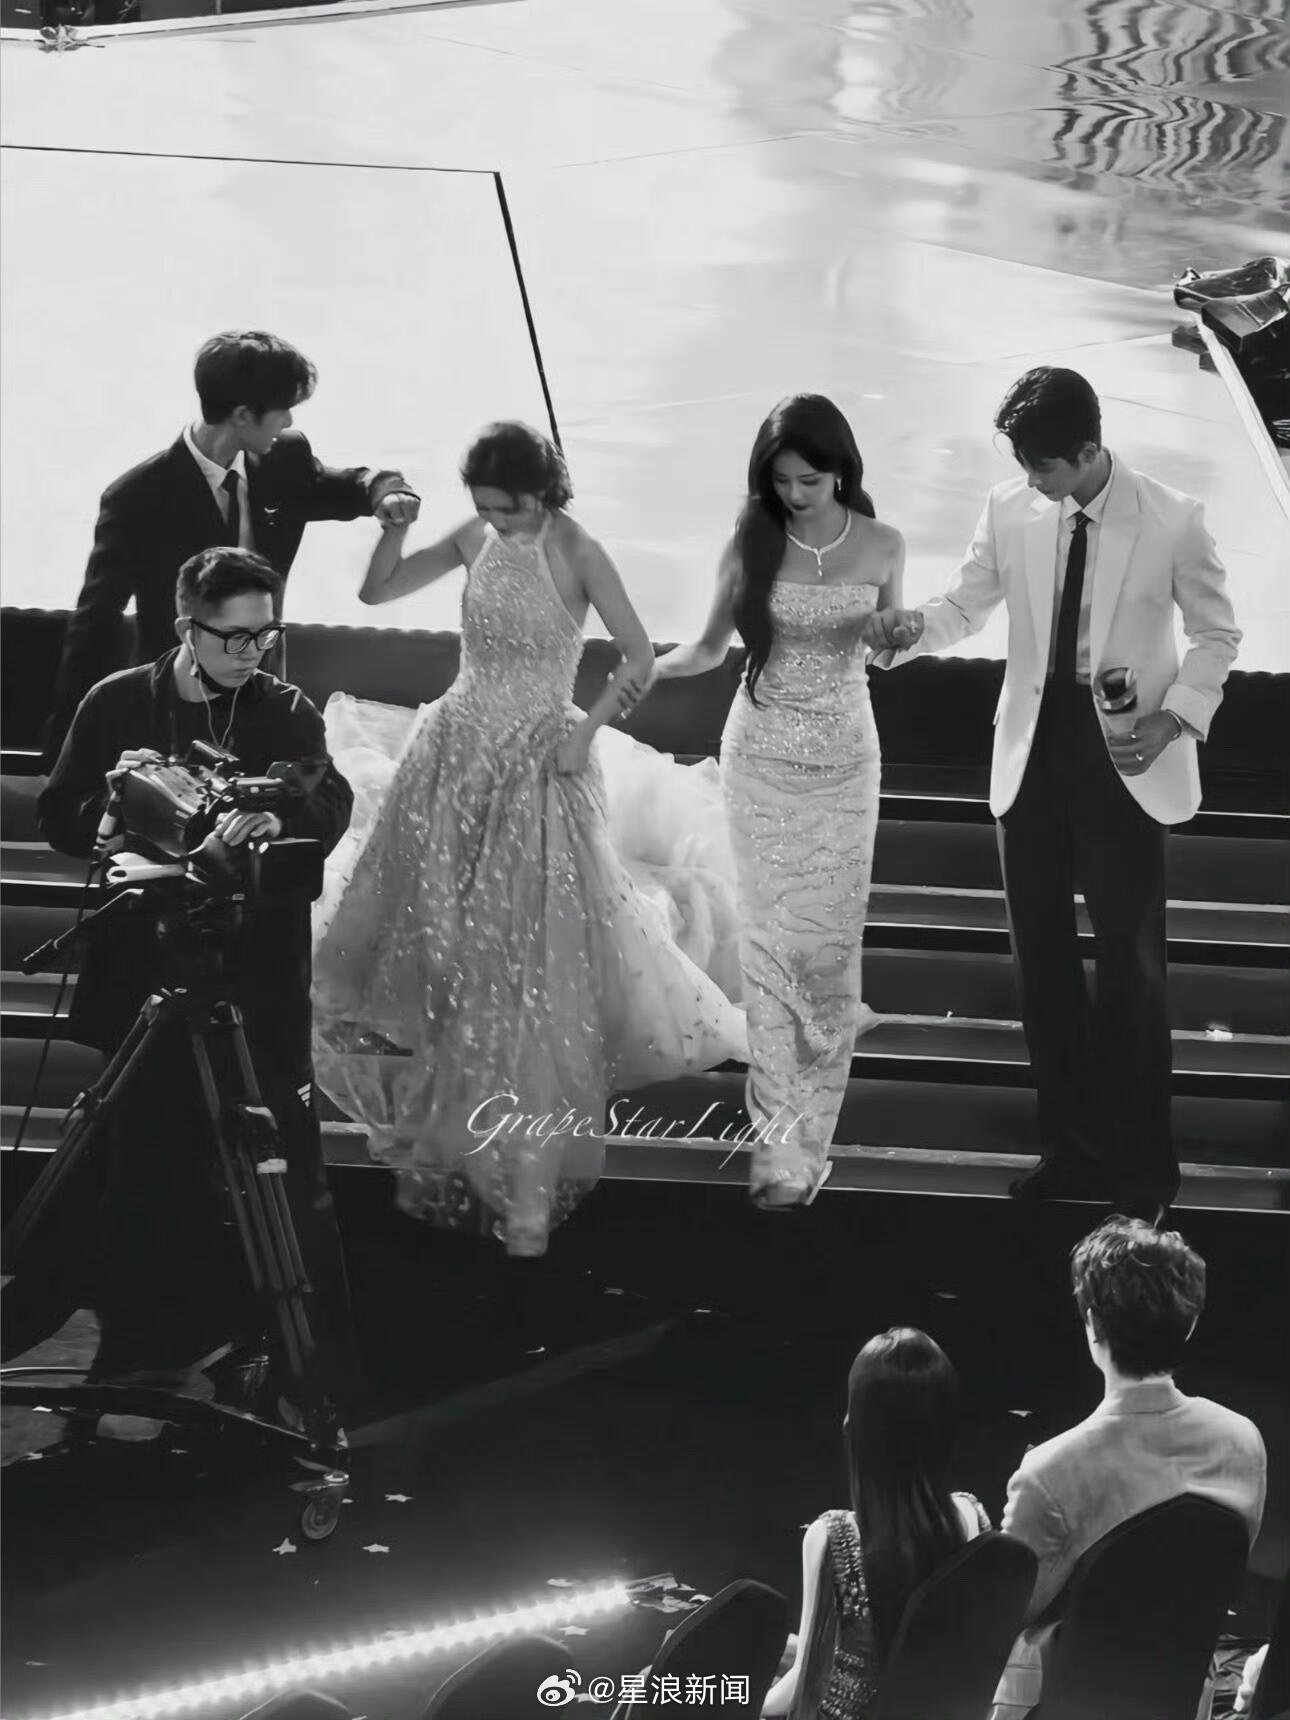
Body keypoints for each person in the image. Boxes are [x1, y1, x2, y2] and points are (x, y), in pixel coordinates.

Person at [311, 422, 747, 1259]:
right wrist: (394, 528)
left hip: (542, 754)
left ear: (543, 492)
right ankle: (441, 1046)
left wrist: (585, 731)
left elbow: (636, 656)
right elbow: (377, 593)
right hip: (455, 743)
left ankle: (516, 1121)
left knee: (529, 938)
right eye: (484, 507)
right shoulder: (472, 536)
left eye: (507, 507)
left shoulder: (579, 549)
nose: (496, 521)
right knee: (435, 913)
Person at [872, 368, 1241, 1220]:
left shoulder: (1174, 517)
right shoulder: (1010, 508)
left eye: (1043, 466)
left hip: (1127, 758)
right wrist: (908, 633)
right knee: (1042, 971)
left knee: (1132, 976)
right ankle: (1072, 1153)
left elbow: (1218, 633)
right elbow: (965, 604)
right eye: (1022, 465)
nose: (1031, 480)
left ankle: (1143, 1178)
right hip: (1032, 752)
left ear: (1087, 450)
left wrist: (1177, 716)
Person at [4, 549, 357, 1414]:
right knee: (143, 1167)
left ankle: (290, 1364)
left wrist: (278, 812)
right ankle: (144, 1349)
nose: (252, 653)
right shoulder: (117, 700)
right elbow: (60, 816)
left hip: (254, 971)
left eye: (265, 634)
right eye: (233, 637)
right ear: (184, 627)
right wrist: (113, 814)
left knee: (274, 1168)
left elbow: (329, 802)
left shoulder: (285, 710)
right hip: (144, 971)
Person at [652, 396, 901, 1209]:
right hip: (758, 757)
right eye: (782, 481)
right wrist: (643, 669)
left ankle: (812, 1136)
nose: (794, 494)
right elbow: (706, 648)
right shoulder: (750, 539)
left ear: (841, 471)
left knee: (829, 954)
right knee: (768, 947)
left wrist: (895, 637)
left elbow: (887, 651)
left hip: (846, 764)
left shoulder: (884, 544)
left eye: (809, 480)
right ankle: (777, 1145)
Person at [44, 329, 420, 764]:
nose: (289, 422)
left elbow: (350, 485)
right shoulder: (137, 498)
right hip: (177, 708)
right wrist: (64, 752)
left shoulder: (285, 459)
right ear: (243, 415)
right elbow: (95, 625)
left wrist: (387, 492)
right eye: (283, 410)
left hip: (265, 699)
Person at [990, 1216, 1267, 1718]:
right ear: (1190, 1323)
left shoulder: (1049, 1471)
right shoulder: (1243, 1441)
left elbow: (1008, 1613)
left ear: (1092, 1324)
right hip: (1184, 1700)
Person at [763, 1328, 990, 1717]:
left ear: (858, 1429)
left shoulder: (834, 1535)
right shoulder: (973, 1517)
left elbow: (805, 1682)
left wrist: (738, 1702)